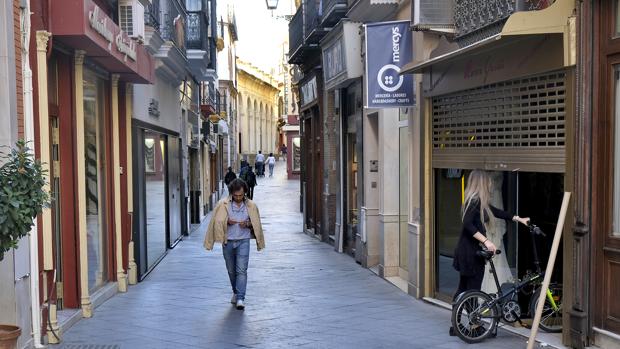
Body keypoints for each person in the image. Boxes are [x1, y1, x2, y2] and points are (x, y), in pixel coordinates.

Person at [449, 170, 529, 335]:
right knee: (472, 290)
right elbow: (468, 224)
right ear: (482, 184)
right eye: (488, 182)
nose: (491, 184)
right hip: (471, 254)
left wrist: (518, 218)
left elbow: (497, 212)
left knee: (463, 289)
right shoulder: (474, 201)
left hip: (466, 251)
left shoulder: (478, 201)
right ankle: (474, 326)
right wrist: (486, 241)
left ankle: (454, 326)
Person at [204, 179, 265, 310]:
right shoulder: (222, 204)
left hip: (243, 240)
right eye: (236, 195)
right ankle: (236, 292)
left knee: (241, 270)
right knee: (231, 270)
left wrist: (247, 224)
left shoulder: (251, 206)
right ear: (231, 193)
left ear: (245, 193)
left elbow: (257, 224)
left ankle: (240, 298)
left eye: (241, 195)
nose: (238, 198)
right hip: (228, 242)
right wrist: (227, 222)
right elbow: (214, 223)